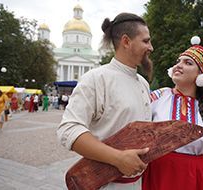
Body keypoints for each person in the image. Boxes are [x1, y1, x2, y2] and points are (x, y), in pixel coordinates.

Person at [57, 12, 153, 189]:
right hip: (105, 184)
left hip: (138, 183)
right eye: (146, 41)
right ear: (126, 41)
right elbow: (68, 129)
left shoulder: (143, 83)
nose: (151, 47)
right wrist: (118, 158)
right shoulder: (96, 79)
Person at [142, 45, 203, 189]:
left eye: (188, 63)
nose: (179, 65)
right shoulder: (158, 97)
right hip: (158, 175)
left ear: (201, 75)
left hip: (194, 178)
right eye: (178, 61)